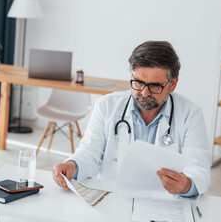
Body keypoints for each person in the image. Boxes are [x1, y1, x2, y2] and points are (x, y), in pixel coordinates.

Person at [52, 41, 211, 197]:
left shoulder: (190, 114)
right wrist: (72, 165)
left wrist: (185, 185)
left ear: (173, 84)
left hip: (164, 203)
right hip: (113, 197)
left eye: (155, 86)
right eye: (138, 82)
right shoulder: (107, 106)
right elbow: (90, 152)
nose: (144, 93)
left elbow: (198, 168)